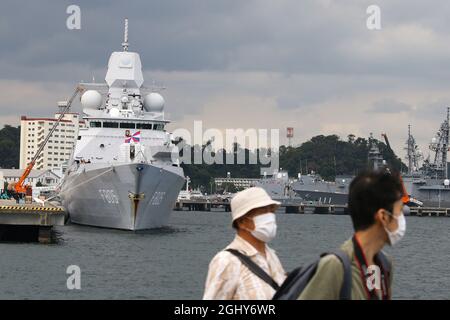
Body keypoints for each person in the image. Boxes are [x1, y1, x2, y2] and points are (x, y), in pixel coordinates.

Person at [298, 170, 406, 300]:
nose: (402, 217)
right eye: (399, 210)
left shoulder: (385, 265)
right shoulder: (335, 266)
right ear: (383, 216)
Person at [203, 187, 287, 300]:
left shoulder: (271, 255)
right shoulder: (226, 261)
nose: (270, 217)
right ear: (242, 222)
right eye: (263, 211)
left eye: (271, 211)